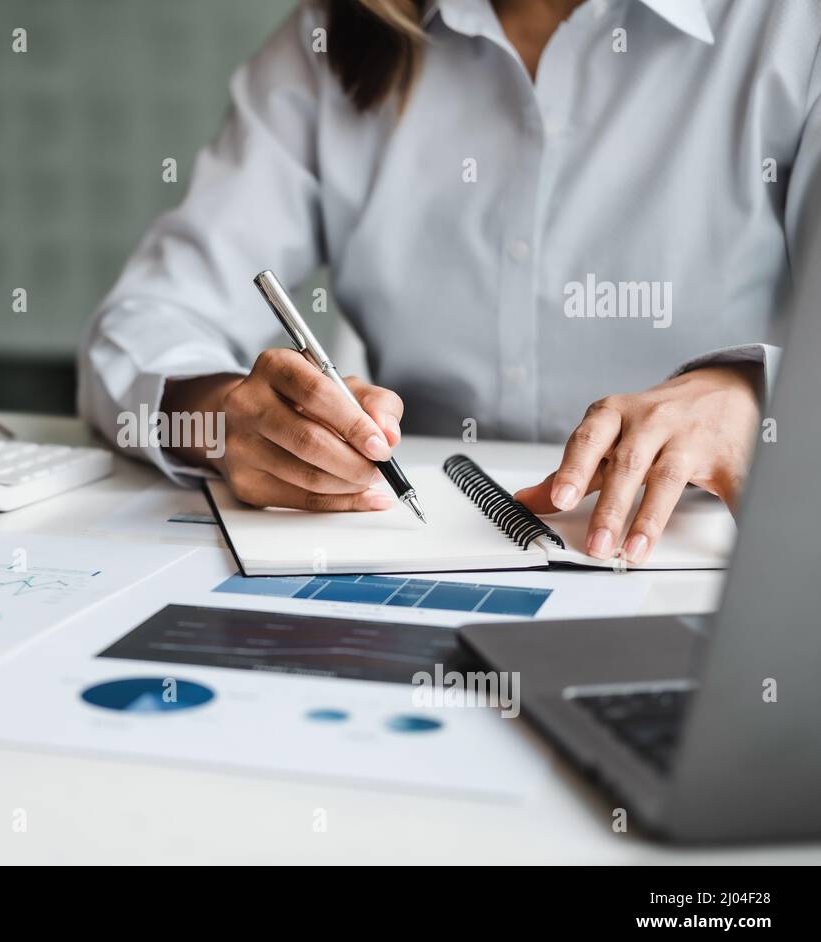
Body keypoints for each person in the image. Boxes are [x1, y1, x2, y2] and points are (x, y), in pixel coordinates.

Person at [79, 0, 820, 565]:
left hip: (703, 568)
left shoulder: (793, 30)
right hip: (402, 560)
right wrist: (223, 420)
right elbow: (145, 322)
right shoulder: (335, 38)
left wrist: (753, 396)